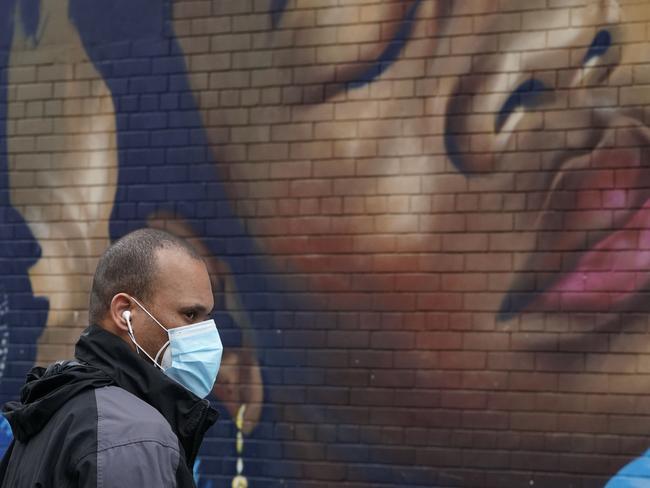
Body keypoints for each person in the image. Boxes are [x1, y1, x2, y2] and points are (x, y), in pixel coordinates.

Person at [0, 228, 223, 487]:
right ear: (124, 313)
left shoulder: (54, 403)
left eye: (206, 317)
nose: (204, 333)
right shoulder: (134, 436)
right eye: (190, 315)